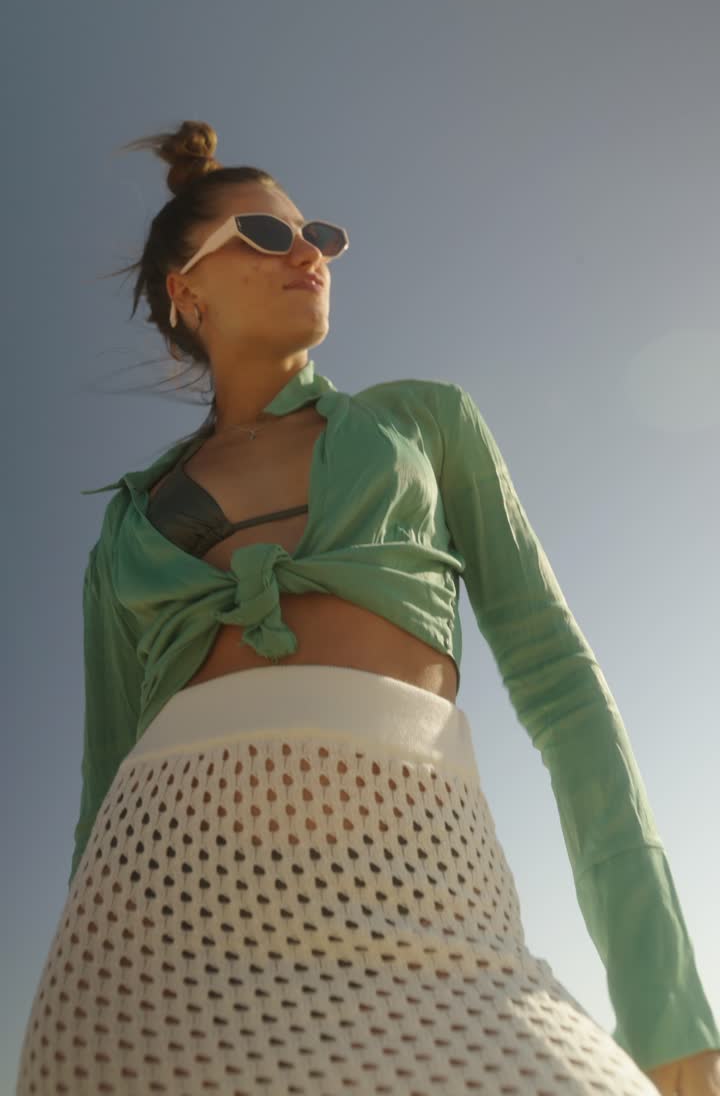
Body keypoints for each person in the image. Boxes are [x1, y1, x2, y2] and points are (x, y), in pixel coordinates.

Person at [16, 120, 719, 1095]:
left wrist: (664, 998)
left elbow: (562, 689)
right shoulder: (129, 523)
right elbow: (102, 778)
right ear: (189, 292)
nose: (310, 251)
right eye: (266, 237)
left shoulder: (424, 423)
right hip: (155, 967)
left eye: (320, 235)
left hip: (434, 917)